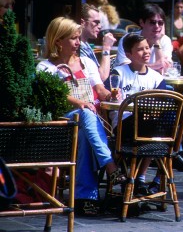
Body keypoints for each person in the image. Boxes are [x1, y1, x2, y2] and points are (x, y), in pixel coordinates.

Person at [36, 17, 125, 216]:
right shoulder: (45, 67)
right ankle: (110, 166)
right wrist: (79, 103)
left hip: (87, 123)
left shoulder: (85, 62)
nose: (78, 43)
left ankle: (85, 198)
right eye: (73, 38)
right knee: (84, 115)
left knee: (84, 133)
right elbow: (56, 95)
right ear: (58, 41)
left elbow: (99, 89)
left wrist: (110, 94)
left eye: (78, 38)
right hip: (62, 124)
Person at [110, 33, 183, 186]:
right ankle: (151, 178)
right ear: (129, 54)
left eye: (147, 48)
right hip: (124, 126)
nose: (146, 52)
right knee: (157, 125)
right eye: (140, 49)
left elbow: (160, 106)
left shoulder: (157, 78)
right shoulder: (119, 73)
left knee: (175, 115)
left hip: (149, 124)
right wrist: (112, 95)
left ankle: (144, 178)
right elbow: (107, 95)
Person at [115, 3, 173, 74]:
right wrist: (154, 66)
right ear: (142, 22)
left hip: (154, 82)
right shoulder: (128, 39)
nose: (157, 26)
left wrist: (156, 42)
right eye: (152, 22)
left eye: (160, 23)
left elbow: (164, 69)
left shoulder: (165, 40)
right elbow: (125, 67)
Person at [79, 3, 117, 81]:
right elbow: (101, 77)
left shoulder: (85, 44)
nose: (99, 26)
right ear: (82, 22)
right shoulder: (77, 47)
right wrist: (106, 48)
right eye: (96, 22)